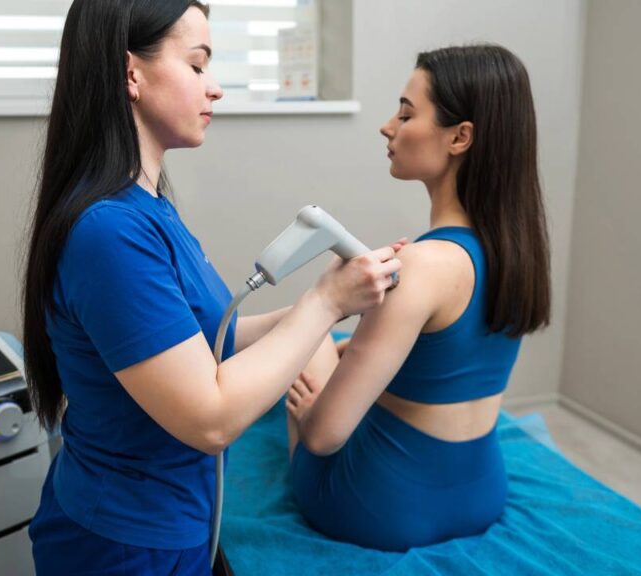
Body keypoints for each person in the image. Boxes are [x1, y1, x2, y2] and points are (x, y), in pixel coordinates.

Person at [21, 1, 402, 573]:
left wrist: (335, 303)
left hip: (181, 519)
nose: (215, 87)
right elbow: (211, 418)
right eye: (197, 65)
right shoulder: (110, 233)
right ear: (130, 73)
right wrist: (325, 303)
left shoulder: (148, 208)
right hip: (125, 544)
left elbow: (205, 340)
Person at [286, 44, 552, 551]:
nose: (388, 127)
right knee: (345, 345)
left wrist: (309, 410)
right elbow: (452, 353)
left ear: (460, 137)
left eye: (406, 114)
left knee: (313, 341)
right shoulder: (518, 252)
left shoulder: (421, 266)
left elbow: (323, 437)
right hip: (482, 493)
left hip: (381, 507)